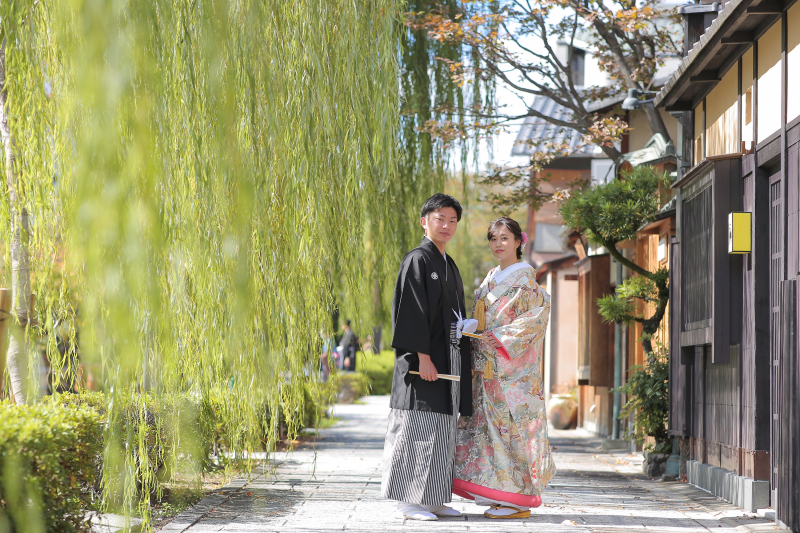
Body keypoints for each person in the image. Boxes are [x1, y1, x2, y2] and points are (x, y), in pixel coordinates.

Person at [453, 216, 556, 519]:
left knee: (511, 430)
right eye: (493, 238)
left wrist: (496, 337)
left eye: (504, 238)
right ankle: (503, 492)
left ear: (518, 242)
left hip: (511, 372)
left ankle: (520, 499)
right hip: (487, 368)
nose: (498, 244)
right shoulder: (492, 277)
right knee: (490, 432)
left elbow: (535, 320)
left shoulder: (526, 282)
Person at [381, 193, 473, 521]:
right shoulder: (417, 260)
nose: (447, 225)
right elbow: (412, 314)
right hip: (423, 366)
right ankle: (408, 500)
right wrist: (423, 357)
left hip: (447, 363)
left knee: (442, 430)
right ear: (425, 221)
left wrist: (465, 326)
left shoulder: (448, 264)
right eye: (440, 219)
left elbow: (452, 314)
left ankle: (433, 498)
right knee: (418, 429)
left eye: (452, 220)